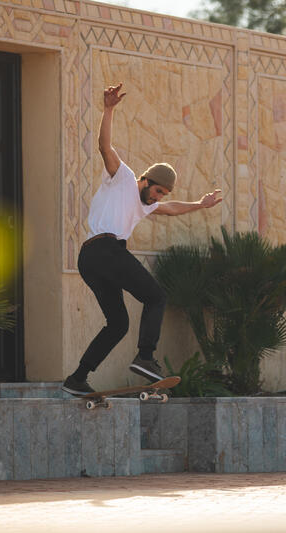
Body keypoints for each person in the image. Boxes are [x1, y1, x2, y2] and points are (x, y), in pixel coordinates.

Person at [62, 83, 222, 396]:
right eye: (157, 191)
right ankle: (146, 357)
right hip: (105, 250)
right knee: (156, 297)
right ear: (145, 180)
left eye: (161, 195)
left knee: (118, 324)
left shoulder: (146, 204)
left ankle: (77, 377)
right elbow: (105, 147)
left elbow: (172, 209)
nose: (157, 198)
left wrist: (199, 205)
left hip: (91, 260)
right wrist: (108, 110)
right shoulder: (121, 177)